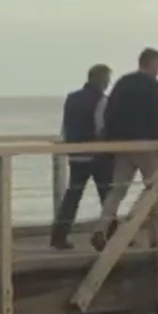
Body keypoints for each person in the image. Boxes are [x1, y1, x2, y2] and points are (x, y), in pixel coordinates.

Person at [92, 48, 158, 250]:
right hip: (144, 144)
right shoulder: (152, 85)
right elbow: (157, 116)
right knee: (156, 188)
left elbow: (110, 112)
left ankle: (101, 228)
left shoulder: (123, 82)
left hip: (123, 144)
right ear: (152, 64)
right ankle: (155, 235)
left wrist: (112, 140)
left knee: (117, 190)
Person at [50, 63, 114, 250]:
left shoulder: (72, 98)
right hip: (96, 156)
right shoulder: (101, 100)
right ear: (101, 80)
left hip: (76, 153)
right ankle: (112, 233)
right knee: (108, 195)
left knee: (73, 195)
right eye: (107, 79)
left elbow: (66, 126)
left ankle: (59, 235)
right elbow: (101, 127)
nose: (108, 83)